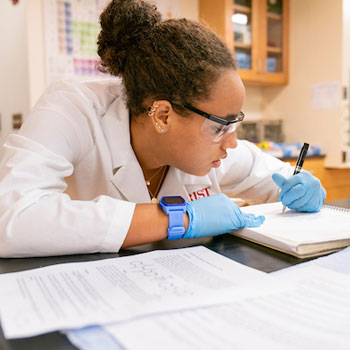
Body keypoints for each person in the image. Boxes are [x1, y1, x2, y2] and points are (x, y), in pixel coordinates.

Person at [0, 0, 325, 258]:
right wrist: (176, 217)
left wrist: (303, 189)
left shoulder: (212, 150)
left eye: (235, 122)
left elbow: (277, 180)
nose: (232, 145)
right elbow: (11, 217)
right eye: (220, 127)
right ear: (163, 116)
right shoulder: (74, 110)